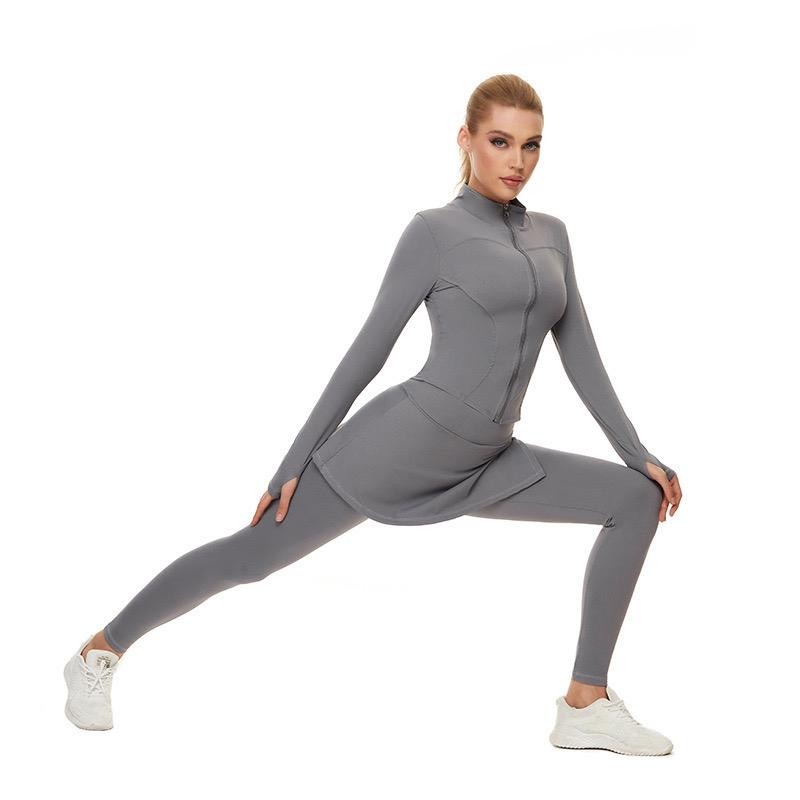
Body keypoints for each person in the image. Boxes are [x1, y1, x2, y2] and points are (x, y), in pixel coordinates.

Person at [64, 74, 682, 755]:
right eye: (500, 141)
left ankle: (585, 704)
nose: (517, 160)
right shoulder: (434, 232)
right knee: (249, 559)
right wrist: (292, 462)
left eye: (531, 145)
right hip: (399, 449)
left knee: (635, 497)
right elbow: (368, 350)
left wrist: (638, 454)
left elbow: (580, 351)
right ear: (466, 139)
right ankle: (100, 651)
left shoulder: (553, 235)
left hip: (490, 457)